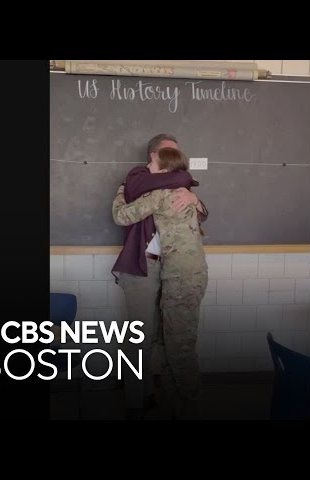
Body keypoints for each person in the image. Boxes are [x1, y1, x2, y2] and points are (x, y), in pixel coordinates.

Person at [111, 134, 208, 419]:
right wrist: (184, 183)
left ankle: (160, 397)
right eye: (167, 154)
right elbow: (121, 214)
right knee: (140, 336)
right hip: (144, 265)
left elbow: (201, 215)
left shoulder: (178, 186)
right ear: (153, 155)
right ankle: (135, 401)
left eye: (176, 156)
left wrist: (196, 198)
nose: (173, 162)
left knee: (166, 338)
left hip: (172, 270)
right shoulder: (136, 181)